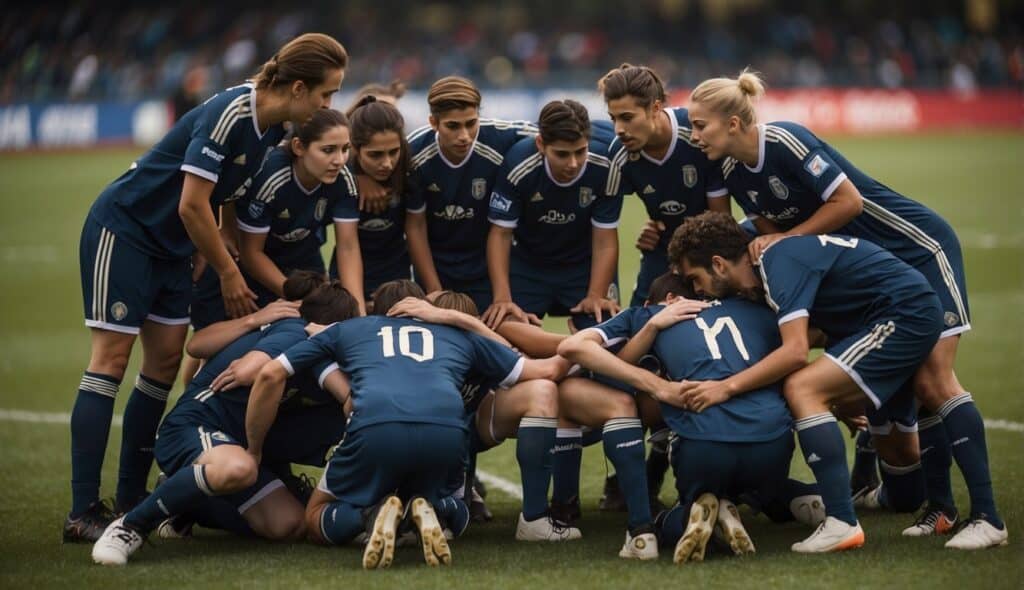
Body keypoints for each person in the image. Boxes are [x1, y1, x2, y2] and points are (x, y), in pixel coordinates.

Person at [687, 70, 1006, 548]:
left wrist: (783, 241)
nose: (694, 137)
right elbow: (774, 246)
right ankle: (939, 510)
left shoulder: (785, 141)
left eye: (700, 126)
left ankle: (987, 518)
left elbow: (848, 202)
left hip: (915, 249)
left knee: (933, 382)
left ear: (734, 123)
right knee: (886, 389)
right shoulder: (733, 174)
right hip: (865, 279)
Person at [66, 33, 349, 542]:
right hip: (127, 230)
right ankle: (83, 509)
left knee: (165, 365)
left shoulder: (271, 128)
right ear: (301, 87)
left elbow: (220, 199)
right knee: (110, 360)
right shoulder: (231, 114)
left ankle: (132, 498)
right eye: (327, 96)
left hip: (177, 248)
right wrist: (227, 269)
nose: (329, 106)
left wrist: (204, 248)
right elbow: (191, 204)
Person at [667, 211, 955, 553]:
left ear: (718, 264)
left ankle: (844, 520)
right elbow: (814, 335)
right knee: (905, 485)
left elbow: (795, 353)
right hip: (883, 318)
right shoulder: (759, 284)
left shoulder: (775, 264)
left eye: (695, 278)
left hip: (902, 314)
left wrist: (724, 387)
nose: (696, 290)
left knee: (804, 388)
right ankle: (868, 490)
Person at [253, 281, 569, 568]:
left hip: (376, 427)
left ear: (378, 310)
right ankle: (437, 509)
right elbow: (548, 370)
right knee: (458, 513)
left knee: (314, 515)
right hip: (447, 432)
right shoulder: (459, 335)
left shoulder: (349, 329)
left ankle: (371, 515)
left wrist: (254, 450)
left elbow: (270, 373)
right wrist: (601, 339)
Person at [91, 281, 360, 565]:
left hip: (234, 440)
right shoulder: (294, 333)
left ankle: (187, 500)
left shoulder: (311, 350)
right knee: (240, 467)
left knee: (290, 524)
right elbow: (250, 370)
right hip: (192, 428)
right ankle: (130, 525)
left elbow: (196, 345)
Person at [598, 63, 731, 307]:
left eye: (627, 118)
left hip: (711, 242)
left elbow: (721, 219)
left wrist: (686, 255)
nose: (618, 130)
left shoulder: (695, 134)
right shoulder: (619, 155)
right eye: (613, 119)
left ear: (655, 108)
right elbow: (604, 228)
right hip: (663, 245)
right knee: (640, 319)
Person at [483, 99, 622, 331]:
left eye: (580, 151)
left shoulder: (606, 166)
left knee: (609, 338)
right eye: (562, 154)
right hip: (529, 266)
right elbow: (500, 234)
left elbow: (605, 239)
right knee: (510, 339)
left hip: (583, 267)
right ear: (540, 144)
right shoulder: (518, 165)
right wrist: (502, 298)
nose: (573, 163)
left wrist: (596, 294)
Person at [405, 76, 538, 311]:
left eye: (471, 123)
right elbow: (415, 226)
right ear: (433, 122)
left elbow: (560, 132)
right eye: (453, 126)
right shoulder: (414, 153)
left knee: (497, 334)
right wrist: (435, 291)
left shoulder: (501, 137)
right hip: (436, 265)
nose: (465, 135)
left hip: (487, 265)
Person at [330, 97, 418, 309]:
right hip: (347, 281)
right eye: (375, 155)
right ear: (355, 150)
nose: (387, 163)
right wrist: (357, 308)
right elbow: (348, 246)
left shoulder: (410, 168)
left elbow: (417, 229)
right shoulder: (341, 174)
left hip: (396, 279)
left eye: (393, 152)